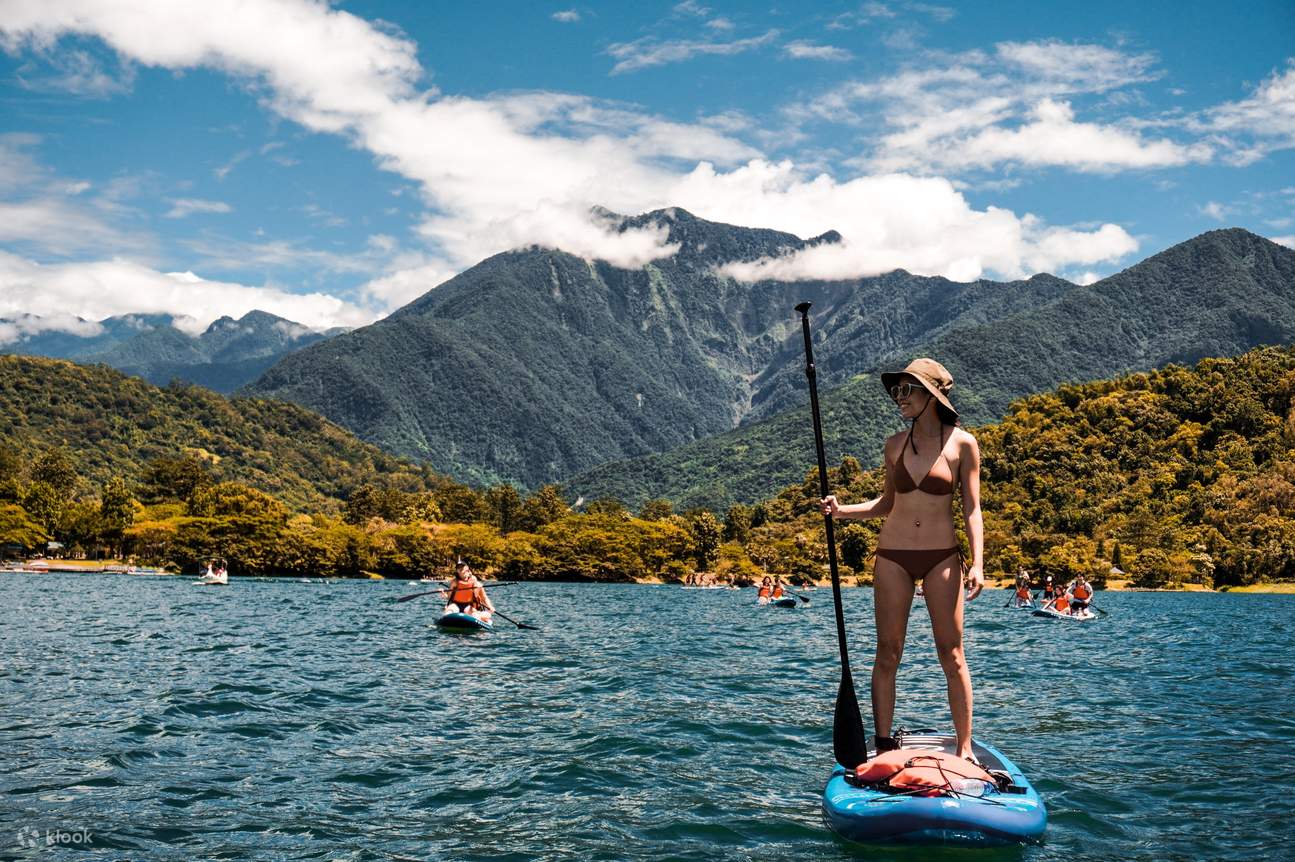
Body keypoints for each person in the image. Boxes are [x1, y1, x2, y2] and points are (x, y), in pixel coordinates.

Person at [821, 358, 984, 762]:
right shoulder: (894, 445)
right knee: (888, 651)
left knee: (952, 653)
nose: (898, 398)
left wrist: (978, 562)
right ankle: (881, 744)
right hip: (892, 555)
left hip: (942, 556)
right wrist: (842, 511)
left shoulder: (963, 444)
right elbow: (887, 504)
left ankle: (965, 747)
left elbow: (971, 509)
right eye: (895, 391)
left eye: (906, 390)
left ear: (931, 394)